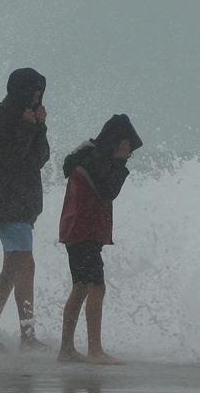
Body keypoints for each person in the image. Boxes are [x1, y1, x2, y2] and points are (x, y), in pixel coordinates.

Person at [56, 114, 142, 365]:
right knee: (95, 286)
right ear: (119, 142)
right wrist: (119, 164)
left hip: (77, 231)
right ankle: (94, 350)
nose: (128, 153)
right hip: (82, 231)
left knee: (81, 286)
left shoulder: (88, 154)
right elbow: (109, 190)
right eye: (127, 148)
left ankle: (67, 349)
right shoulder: (97, 161)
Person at [0, 67, 51, 351]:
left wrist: (39, 126)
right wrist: (28, 126)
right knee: (25, 265)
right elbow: (12, 158)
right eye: (33, 91)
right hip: (7, 202)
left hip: (23, 203)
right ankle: (28, 336)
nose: (37, 97)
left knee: (11, 270)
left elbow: (41, 157)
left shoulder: (28, 118)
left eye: (40, 92)